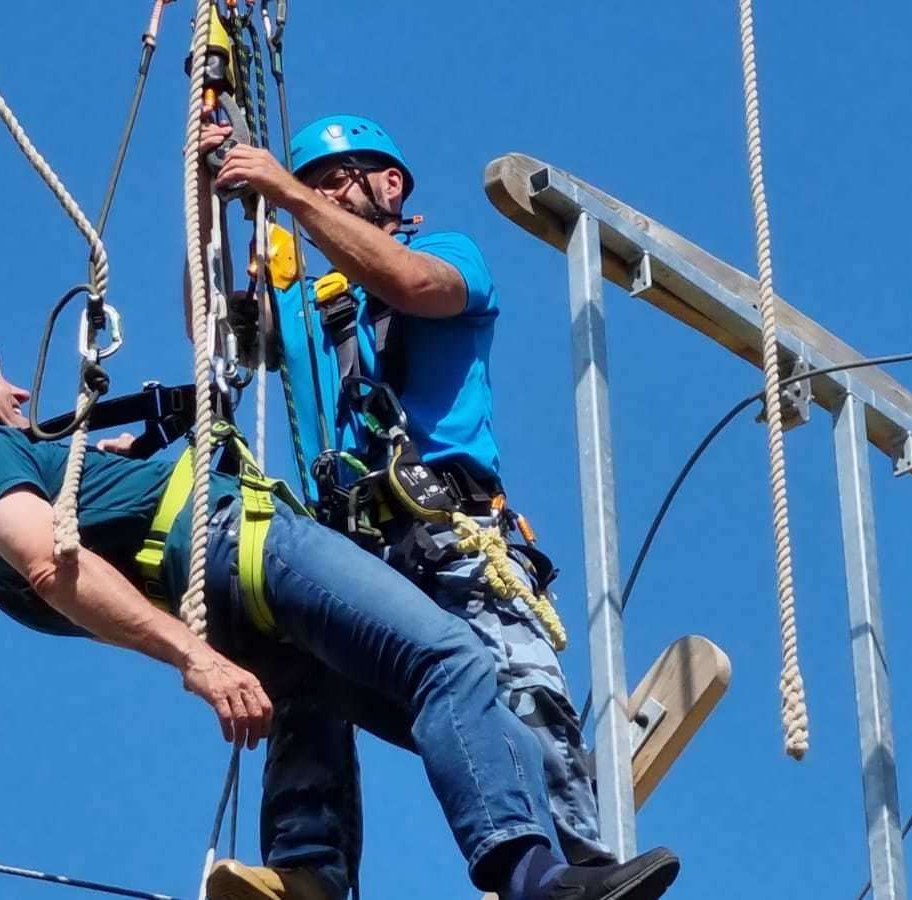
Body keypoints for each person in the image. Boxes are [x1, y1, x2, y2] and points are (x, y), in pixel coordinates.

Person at [0, 324, 678, 900]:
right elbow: (51, 562)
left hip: (220, 595)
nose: (22, 387)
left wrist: (125, 457)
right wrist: (195, 660)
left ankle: (307, 876)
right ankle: (533, 879)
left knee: (325, 695)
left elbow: (80, 543)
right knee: (452, 661)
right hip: (238, 545)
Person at [204, 114, 609, 865]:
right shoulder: (299, 301)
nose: (318, 195)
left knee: (517, 691)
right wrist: (211, 187)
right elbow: (213, 325)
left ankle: (574, 863)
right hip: (350, 545)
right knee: (303, 670)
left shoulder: (446, 255)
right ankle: (307, 866)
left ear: (389, 184)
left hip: (445, 528)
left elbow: (412, 285)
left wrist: (287, 193)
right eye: (313, 182)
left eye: (335, 181)